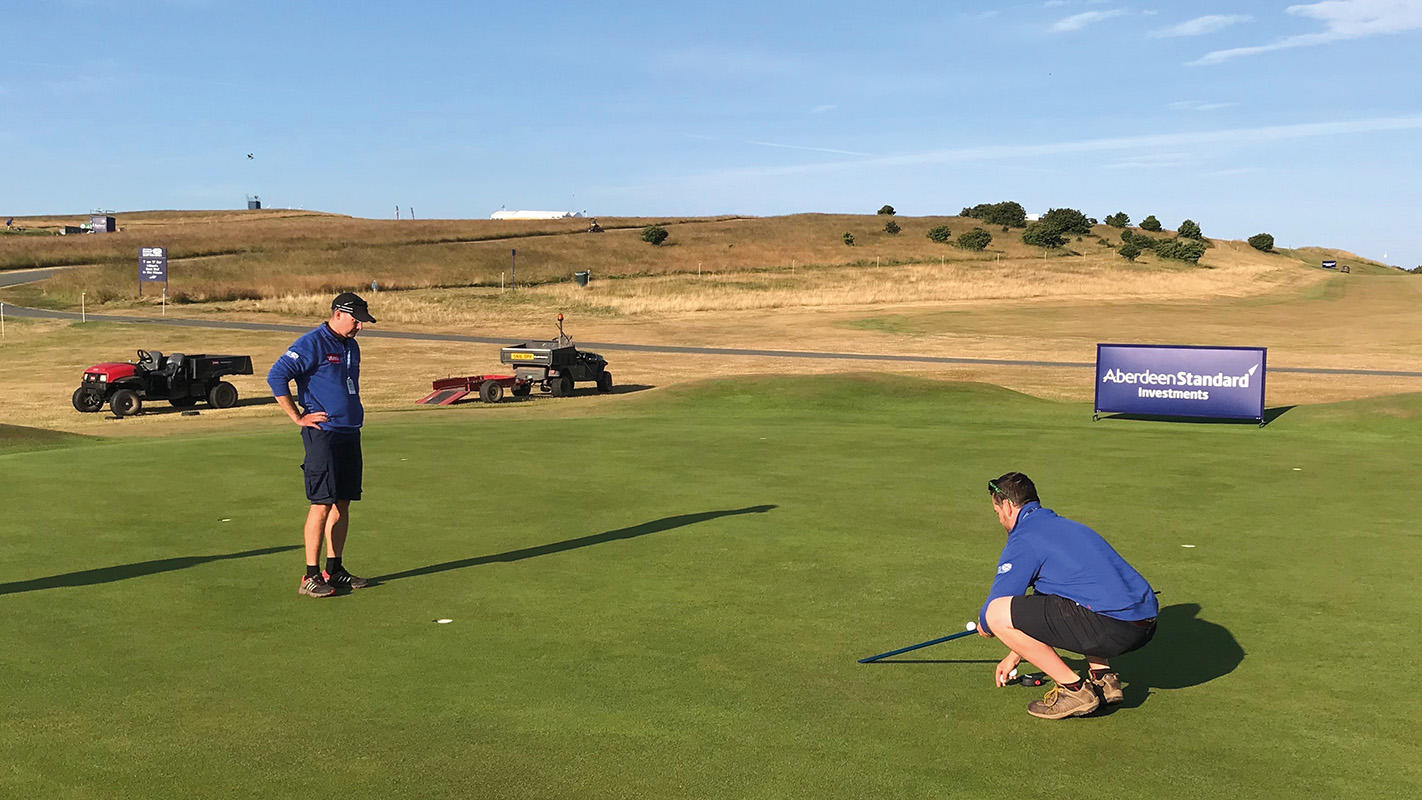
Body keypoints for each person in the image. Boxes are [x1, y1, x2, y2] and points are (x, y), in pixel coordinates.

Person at [976, 472, 1157, 719]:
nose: (1000, 520)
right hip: (1145, 623)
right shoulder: (1067, 526)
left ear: (1007, 506)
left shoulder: (1024, 539)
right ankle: (1104, 680)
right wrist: (1015, 654)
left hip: (1114, 627)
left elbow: (994, 610)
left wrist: (986, 625)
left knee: (996, 613)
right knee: (1076, 596)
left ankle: (1074, 691)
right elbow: (1047, 610)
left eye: (997, 512)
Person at [267, 292, 377, 598]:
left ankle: (334, 569)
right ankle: (310, 576)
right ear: (339, 314)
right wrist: (297, 417)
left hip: (349, 431)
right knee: (322, 502)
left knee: (343, 502)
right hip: (323, 433)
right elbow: (276, 376)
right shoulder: (311, 343)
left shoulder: (351, 346)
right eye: (356, 321)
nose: (360, 327)